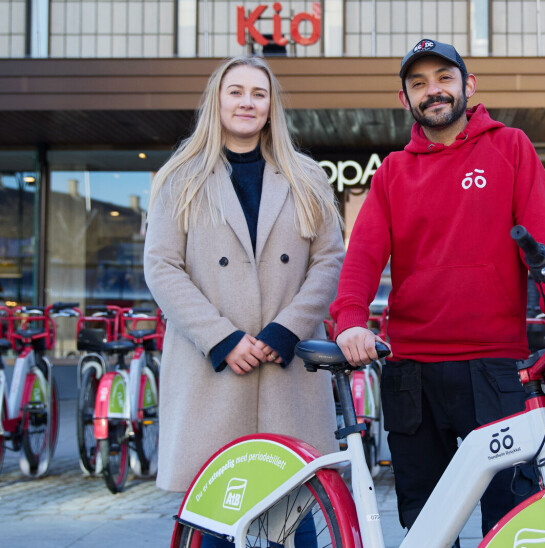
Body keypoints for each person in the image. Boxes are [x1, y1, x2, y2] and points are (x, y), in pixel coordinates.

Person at [330, 38, 545, 538]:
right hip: (411, 371)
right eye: (419, 83)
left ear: (469, 85)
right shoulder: (393, 172)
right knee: (426, 525)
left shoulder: (511, 147)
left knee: (511, 520)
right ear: (405, 99)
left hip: (494, 369)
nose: (433, 91)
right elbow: (362, 256)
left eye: (444, 78)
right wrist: (350, 320)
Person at [143, 55, 344, 547]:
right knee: (215, 518)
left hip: (286, 368)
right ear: (217, 100)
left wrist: (287, 329)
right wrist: (222, 338)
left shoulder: (306, 176)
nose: (247, 102)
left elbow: (330, 260)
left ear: (272, 106)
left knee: (292, 521)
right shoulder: (180, 177)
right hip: (212, 371)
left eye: (259, 93)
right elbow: (162, 267)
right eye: (236, 91)